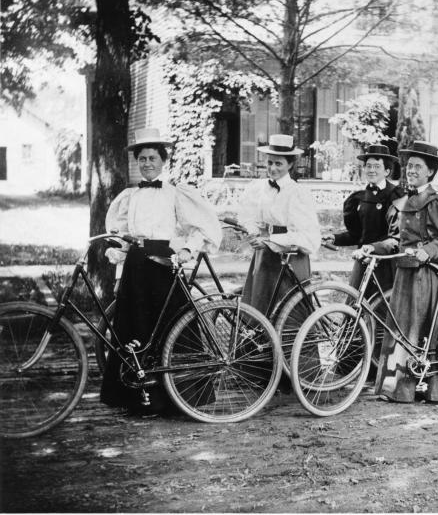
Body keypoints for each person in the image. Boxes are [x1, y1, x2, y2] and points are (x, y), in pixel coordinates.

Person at [101, 127, 223, 412]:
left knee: (172, 327)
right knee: (134, 329)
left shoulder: (175, 194)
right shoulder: (129, 196)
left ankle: (178, 399)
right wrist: (119, 275)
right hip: (135, 266)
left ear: (163, 160)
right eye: (142, 159)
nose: (147, 164)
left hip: (163, 264)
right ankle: (138, 399)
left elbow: (198, 228)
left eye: (152, 158)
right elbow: (122, 238)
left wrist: (186, 250)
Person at [356, 141, 438, 403]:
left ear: (430, 172)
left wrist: (429, 250)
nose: (411, 170)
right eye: (409, 166)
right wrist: (372, 247)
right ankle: (398, 388)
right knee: (401, 330)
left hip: (428, 277)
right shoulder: (403, 202)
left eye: (418, 166)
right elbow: (396, 238)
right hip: (404, 274)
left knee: (432, 329)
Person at [239, 134, 320, 315]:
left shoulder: (298, 193)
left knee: (288, 312)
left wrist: (270, 241)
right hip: (265, 256)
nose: (272, 168)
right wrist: (253, 232)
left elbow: (304, 234)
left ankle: (291, 343)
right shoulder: (260, 188)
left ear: (290, 164)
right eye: (270, 163)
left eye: (278, 164)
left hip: (290, 256)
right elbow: (251, 216)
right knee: (261, 305)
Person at [323, 144, 404, 296]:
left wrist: (374, 247)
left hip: (386, 263)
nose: (371, 170)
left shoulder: (397, 196)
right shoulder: (359, 198)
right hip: (363, 261)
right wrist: (335, 238)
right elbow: (357, 234)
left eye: (377, 166)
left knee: (382, 308)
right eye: (368, 166)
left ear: (387, 171)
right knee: (355, 306)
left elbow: (397, 237)